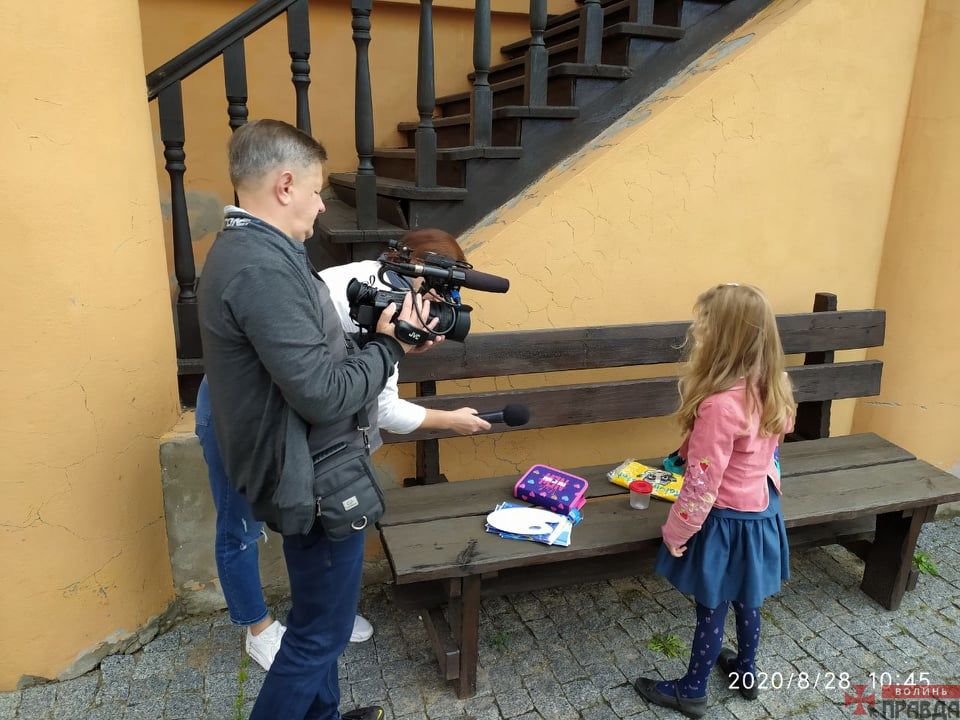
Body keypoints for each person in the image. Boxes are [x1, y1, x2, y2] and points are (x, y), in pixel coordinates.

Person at [198, 118, 434, 720]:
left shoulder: (254, 251)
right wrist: (390, 348)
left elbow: (305, 362)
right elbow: (324, 395)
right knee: (319, 635)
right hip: (311, 474)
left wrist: (374, 340)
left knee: (313, 618)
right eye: (316, 189)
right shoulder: (262, 268)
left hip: (302, 463)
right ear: (285, 186)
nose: (323, 204)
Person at [194, 228, 490, 672]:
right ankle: (258, 628)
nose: (439, 304)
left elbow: (362, 382)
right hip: (237, 411)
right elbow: (382, 406)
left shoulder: (388, 289)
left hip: (294, 416)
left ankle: (321, 612)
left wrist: (400, 343)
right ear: (419, 273)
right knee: (241, 525)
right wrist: (449, 419)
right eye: (439, 291)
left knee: (308, 521)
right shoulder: (361, 294)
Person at [633, 283, 796, 719]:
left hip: (723, 522)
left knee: (712, 607)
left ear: (722, 340)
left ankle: (692, 690)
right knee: (748, 599)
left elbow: (701, 485)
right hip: (761, 512)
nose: (697, 334)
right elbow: (767, 446)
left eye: (704, 327)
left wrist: (675, 533)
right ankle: (746, 672)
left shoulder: (720, 405)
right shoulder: (776, 385)